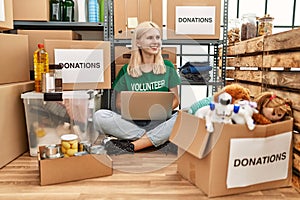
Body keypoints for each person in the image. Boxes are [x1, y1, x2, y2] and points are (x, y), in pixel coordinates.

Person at [94, 21, 181, 155]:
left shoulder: (168, 67)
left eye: (158, 38)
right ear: (138, 42)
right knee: (100, 116)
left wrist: (163, 111)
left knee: (185, 115)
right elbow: (118, 104)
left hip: (160, 121)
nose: (156, 42)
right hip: (134, 124)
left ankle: (133, 146)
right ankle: (158, 139)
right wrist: (135, 110)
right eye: (150, 38)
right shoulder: (126, 70)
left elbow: (176, 100)